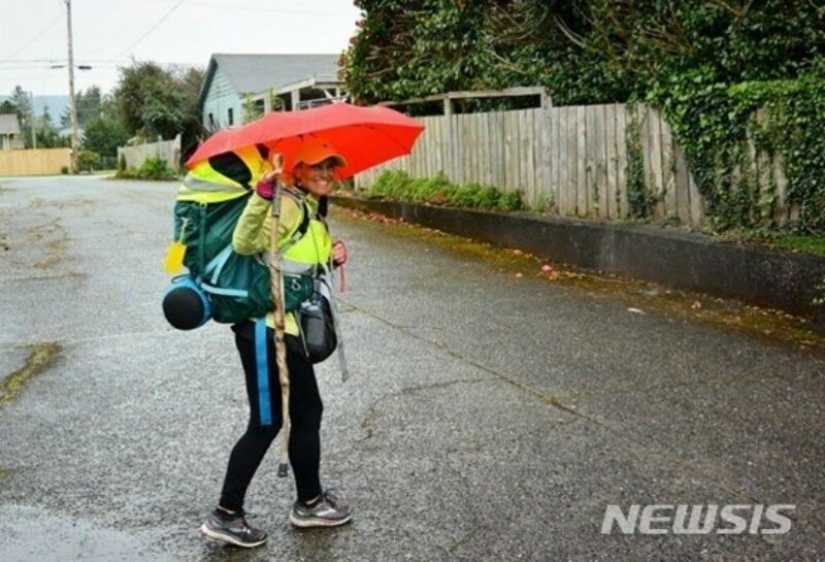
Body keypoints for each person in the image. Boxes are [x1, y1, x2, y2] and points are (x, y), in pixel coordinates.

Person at [200, 138, 350, 548]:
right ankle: (226, 514)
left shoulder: (306, 206)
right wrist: (261, 196)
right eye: (317, 167)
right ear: (296, 170)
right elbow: (246, 244)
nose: (326, 174)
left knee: (307, 412)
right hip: (267, 331)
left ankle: (310, 500)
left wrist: (331, 255)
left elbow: (291, 258)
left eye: (331, 167)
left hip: (286, 330)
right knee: (267, 422)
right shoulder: (285, 202)